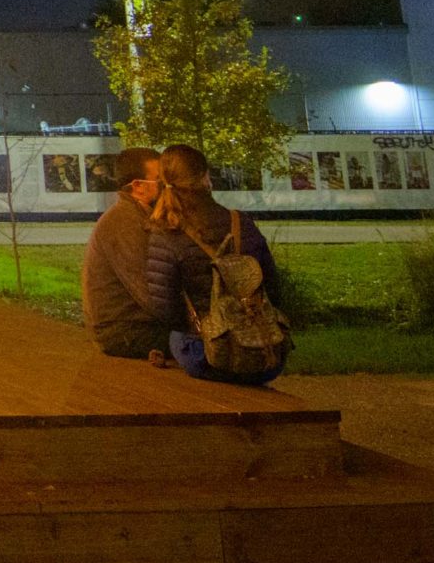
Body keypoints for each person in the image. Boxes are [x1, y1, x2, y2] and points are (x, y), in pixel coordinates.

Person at [145, 143, 289, 385]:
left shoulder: (165, 232)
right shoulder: (240, 222)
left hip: (205, 357)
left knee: (176, 337)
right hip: (264, 355)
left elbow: (164, 309)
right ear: (205, 177)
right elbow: (273, 288)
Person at [78, 146, 163, 358]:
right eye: (160, 180)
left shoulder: (138, 217)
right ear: (138, 187)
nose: (167, 187)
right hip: (124, 332)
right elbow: (150, 293)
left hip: (133, 325)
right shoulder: (124, 222)